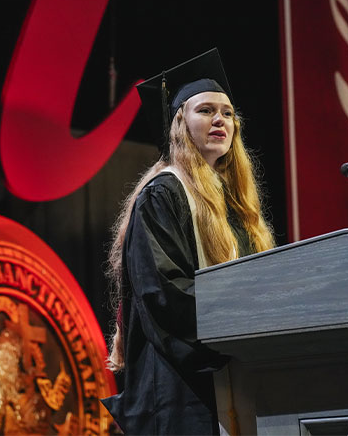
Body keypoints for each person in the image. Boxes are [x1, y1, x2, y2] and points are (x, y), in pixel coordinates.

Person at [101, 48, 276, 435]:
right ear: (180, 123)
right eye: (206, 111)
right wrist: (241, 324)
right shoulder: (163, 195)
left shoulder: (239, 207)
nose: (220, 120)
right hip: (181, 386)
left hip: (237, 377)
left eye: (228, 113)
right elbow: (165, 293)